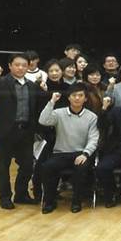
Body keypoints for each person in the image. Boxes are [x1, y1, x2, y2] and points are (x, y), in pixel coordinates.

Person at [38, 83, 99, 213]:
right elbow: (43, 120)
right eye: (74, 95)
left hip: (81, 153)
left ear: (85, 99)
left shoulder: (91, 117)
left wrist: (85, 154)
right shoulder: (59, 113)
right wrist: (52, 102)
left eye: (80, 95)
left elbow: (93, 139)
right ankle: (49, 202)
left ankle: (76, 201)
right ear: (69, 97)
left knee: (81, 168)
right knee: (47, 167)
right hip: (61, 153)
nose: (77, 98)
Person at [0, 54, 44, 209]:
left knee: (27, 164)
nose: (20, 68)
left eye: (24, 65)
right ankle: (5, 197)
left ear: (28, 67)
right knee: (4, 164)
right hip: (4, 131)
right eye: (17, 65)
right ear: (10, 65)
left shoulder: (32, 86)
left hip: (25, 131)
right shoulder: (1, 82)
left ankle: (21, 194)